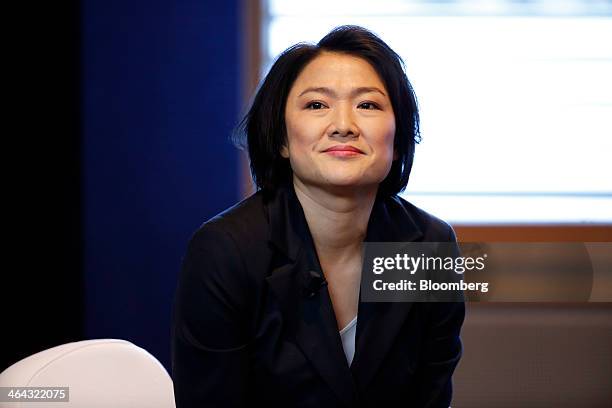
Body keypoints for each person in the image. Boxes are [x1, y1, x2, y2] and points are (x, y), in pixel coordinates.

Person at [171, 25, 465, 408]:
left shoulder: (430, 247)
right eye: (316, 105)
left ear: (397, 140)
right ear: (281, 139)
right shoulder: (225, 251)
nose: (343, 125)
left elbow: (430, 397)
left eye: (368, 105)